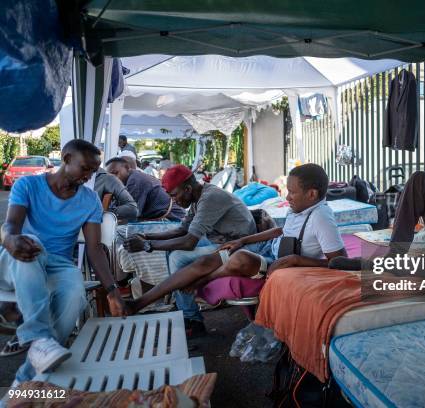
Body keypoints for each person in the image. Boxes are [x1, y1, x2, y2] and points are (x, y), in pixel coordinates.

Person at [124, 164, 347, 316]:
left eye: (291, 193)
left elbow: (339, 262)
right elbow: (280, 231)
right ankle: (139, 303)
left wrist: (297, 260)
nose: (286, 197)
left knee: (239, 260)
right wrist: (244, 240)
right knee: (206, 260)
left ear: (312, 194)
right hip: (269, 249)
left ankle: (202, 282)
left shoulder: (321, 217)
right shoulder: (299, 209)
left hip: (276, 261)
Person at [0, 139, 126, 387]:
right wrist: (9, 240)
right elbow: (12, 225)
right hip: (18, 257)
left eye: (93, 171)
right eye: (85, 168)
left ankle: (25, 382)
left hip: (58, 265)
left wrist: (113, 291)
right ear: (66, 159)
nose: (88, 176)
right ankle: (38, 338)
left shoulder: (90, 200)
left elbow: (94, 248)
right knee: (32, 242)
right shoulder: (28, 184)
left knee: (74, 293)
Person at [123, 164, 258, 332]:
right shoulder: (199, 196)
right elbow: (182, 230)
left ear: (187, 189)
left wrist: (147, 246)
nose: (174, 201)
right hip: (220, 241)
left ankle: (191, 318)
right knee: (171, 250)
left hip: (238, 245)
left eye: (174, 195)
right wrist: (147, 237)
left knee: (177, 257)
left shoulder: (210, 197)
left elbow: (189, 242)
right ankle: (184, 307)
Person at [105, 157, 185, 222]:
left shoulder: (135, 180)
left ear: (127, 168)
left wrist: (106, 212)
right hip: (164, 219)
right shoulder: (130, 179)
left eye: (115, 173)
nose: (113, 178)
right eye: (110, 176)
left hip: (174, 220)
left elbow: (131, 212)